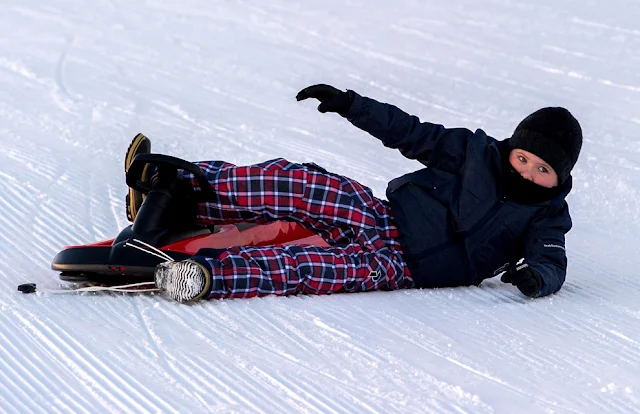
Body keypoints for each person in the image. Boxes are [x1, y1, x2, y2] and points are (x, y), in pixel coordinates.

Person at [126, 84, 582, 303]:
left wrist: (538, 278)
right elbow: (412, 132)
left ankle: (199, 276)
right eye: (524, 157)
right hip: (381, 216)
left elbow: (551, 256)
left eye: (543, 170)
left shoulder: (547, 215)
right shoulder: (477, 153)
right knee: (298, 183)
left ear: (558, 178)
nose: (528, 171)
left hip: (400, 267)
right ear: (513, 146)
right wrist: (351, 104)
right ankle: (177, 188)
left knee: (306, 269)